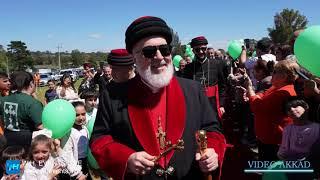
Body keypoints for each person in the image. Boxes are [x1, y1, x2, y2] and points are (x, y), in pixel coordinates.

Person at [91, 16, 226, 180]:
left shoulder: (193, 90)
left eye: (165, 49)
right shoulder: (112, 96)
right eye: (149, 52)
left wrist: (212, 151)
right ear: (134, 57)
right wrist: (126, 158)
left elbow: (212, 130)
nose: (159, 57)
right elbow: (100, 140)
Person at [243, 60, 298, 161]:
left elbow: (258, 106)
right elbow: (262, 95)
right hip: (267, 137)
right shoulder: (277, 87)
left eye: (275, 71)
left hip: (274, 141)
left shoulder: (285, 92)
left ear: (284, 76)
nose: (272, 74)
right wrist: (254, 96)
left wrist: (250, 90)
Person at [182, 36, 226, 119]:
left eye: (203, 49)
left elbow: (222, 86)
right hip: (195, 103)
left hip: (213, 103)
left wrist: (221, 104)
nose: (201, 51)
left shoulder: (217, 64)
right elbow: (186, 89)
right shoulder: (188, 68)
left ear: (206, 48)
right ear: (193, 51)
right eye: (197, 49)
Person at [0, 71, 43, 148]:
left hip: (8, 141)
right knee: (26, 160)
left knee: (12, 160)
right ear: (31, 84)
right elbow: (41, 126)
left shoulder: (3, 100)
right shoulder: (32, 103)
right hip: (27, 144)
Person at [60, 101, 89, 180]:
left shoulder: (85, 129)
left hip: (84, 161)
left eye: (83, 114)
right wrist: (78, 174)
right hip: (73, 164)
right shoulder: (68, 132)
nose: (81, 118)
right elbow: (67, 153)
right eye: (77, 115)